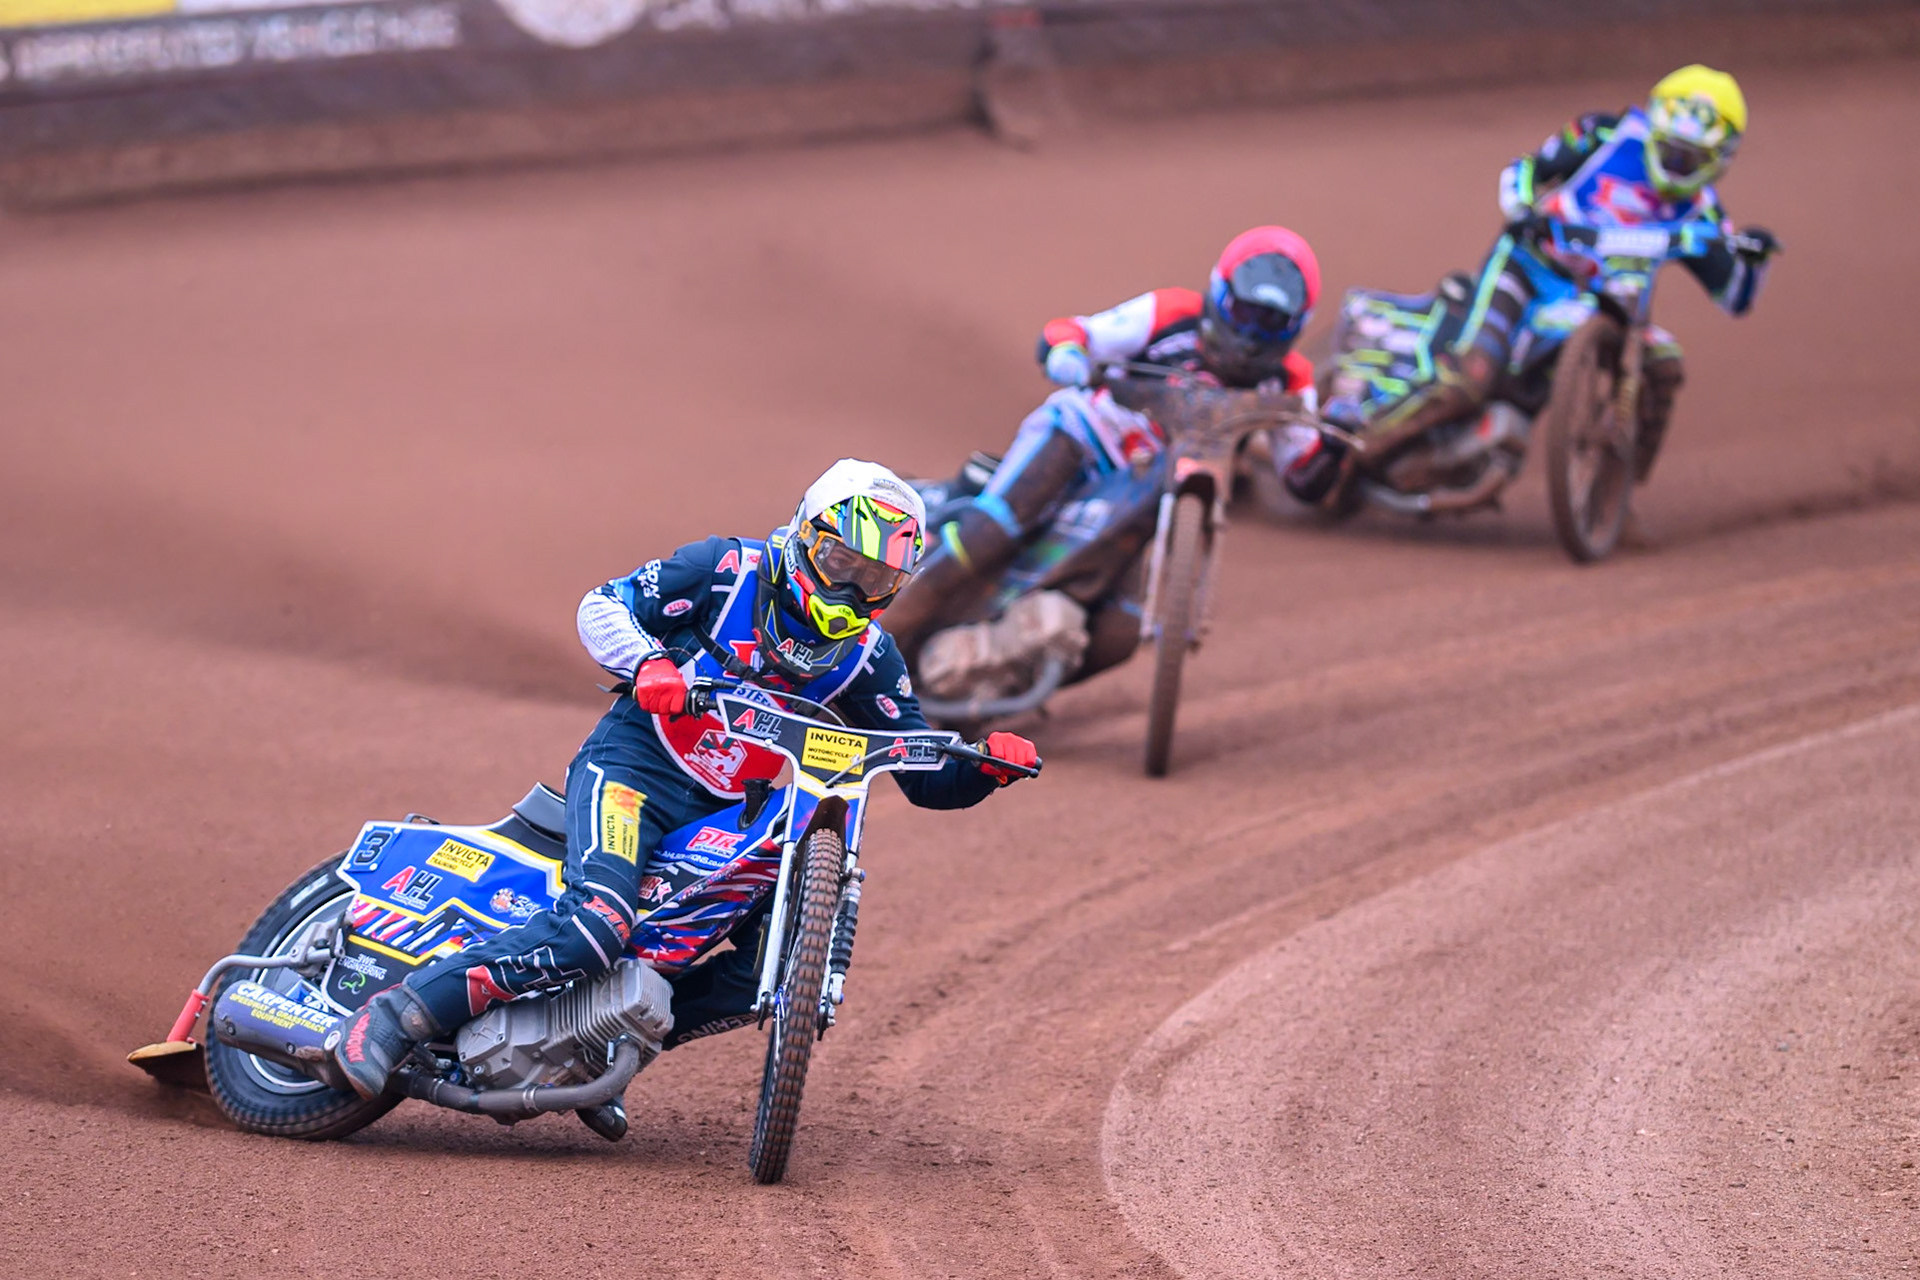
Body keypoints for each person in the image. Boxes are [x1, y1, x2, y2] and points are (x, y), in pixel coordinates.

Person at [332, 460, 1040, 1100]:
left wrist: (984, 769)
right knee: (596, 925)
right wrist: (649, 665)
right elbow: (602, 605)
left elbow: (918, 773)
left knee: (767, 969)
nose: (853, 588)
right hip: (636, 769)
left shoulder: (869, 657)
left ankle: (594, 1051)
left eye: (877, 579)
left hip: (728, 814)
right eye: (840, 562)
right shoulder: (725, 570)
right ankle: (394, 1015)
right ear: (805, 534)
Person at [1292, 65, 1778, 502]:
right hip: (1527, 268)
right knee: (1469, 378)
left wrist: (1754, 257)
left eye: (1690, 159)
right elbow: (1525, 169)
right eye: (1669, 149)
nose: (1674, 165)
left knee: (1665, 362)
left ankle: (1622, 488)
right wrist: (1523, 208)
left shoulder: (1703, 214)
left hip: (1603, 303)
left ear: (1719, 159)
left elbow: (1736, 296)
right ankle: (1343, 446)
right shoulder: (1604, 135)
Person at [884, 225, 1321, 663]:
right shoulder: (1169, 313)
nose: (1251, 334)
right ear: (1220, 294)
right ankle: (879, 644)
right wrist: (1069, 354)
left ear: (1296, 325)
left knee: (1119, 632)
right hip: (1081, 439)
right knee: (987, 535)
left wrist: (1333, 447)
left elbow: (1304, 470)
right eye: (1245, 313)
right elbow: (1073, 332)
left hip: (1147, 489)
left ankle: (1000, 674)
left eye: (1270, 322)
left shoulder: (1290, 380)